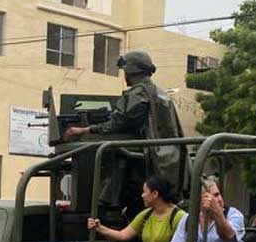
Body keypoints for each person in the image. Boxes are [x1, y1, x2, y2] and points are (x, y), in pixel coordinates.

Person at [63, 50, 186, 210]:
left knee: (115, 164)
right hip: (164, 159)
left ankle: (105, 206)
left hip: (147, 161)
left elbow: (117, 123)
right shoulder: (160, 93)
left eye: (124, 71)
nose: (124, 75)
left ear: (131, 70)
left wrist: (83, 131)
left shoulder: (138, 93)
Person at [86, 175, 185, 242]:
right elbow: (123, 235)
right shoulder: (146, 215)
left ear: (155, 194)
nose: (142, 195)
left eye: (145, 192)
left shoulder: (178, 217)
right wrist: (100, 228)